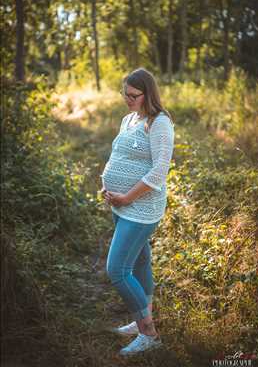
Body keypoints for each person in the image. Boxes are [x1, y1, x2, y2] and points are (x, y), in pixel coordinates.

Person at [100, 67, 175, 356]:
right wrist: (106, 184)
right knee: (141, 261)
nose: (127, 99)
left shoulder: (160, 122)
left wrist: (126, 197)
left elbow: (159, 172)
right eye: (125, 94)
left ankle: (149, 334)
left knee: (117, 270)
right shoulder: (129, 118)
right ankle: (142, 319)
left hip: (141, 208)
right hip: (120, 204)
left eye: (133, 95)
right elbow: (118, 154)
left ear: (147, 94)